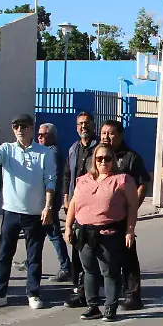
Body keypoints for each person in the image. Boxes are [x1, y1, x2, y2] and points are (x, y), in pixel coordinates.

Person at [0, 114, 57, 309]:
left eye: (24, 126)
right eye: (16, 126)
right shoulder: (7, 149)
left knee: (34, 256)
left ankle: (33, 293)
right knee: (5, 254)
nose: (20, 130)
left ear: (32, 128)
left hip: (34, 213)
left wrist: (48, 207)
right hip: (11, 211)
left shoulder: (44, 153)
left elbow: (50, 180)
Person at [65, 143, 138, 321]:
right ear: (94, 160)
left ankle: (110, 307)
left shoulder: (122, 180)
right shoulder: (83, 180)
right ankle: (93, 306)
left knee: (110, 271)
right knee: (88, 271)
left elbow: (132, 206)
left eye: (107, 158)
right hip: (84, 232)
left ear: (113, 159)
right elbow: (73, 204)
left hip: (109, 233)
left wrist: (129, 230)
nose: (103, 161)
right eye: (99, 158)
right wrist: (68, 227)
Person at [100, 120, 150, 310]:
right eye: (103, 133)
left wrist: (132, 208)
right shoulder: (99, 156)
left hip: (123, 216)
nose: (106, 137)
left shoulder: (130, 158)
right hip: (102, 216)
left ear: (120, 135)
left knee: (127, 255)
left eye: (110, 133)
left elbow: (143, 183)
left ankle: (133, 295)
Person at [20, 123, 71, 283]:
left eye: (43, 134)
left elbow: (52, 178)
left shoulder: (51, 152)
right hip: (43, 202)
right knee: (38, 234)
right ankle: (30, 262)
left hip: (48, 203)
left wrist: (49, 204)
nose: (39, 137)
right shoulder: (46, 151)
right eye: (39, 134)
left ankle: (66, 267)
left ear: (52, 136)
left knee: (53, 234)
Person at [65, 111, 100, 305]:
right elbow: (67, 175)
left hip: (94, 208)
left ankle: (93, 291)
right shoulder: (73, 149)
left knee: (94, 251)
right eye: (79, 124)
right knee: (78, 248)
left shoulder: (99, 149)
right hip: (76, 206)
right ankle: (79, 290)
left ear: (93, 125)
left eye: (86, 123)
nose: (83, 127)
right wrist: (65, 198)